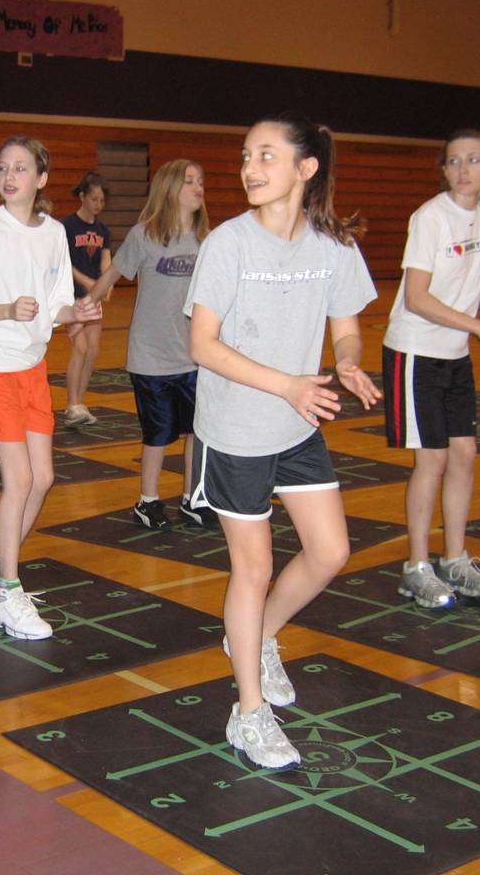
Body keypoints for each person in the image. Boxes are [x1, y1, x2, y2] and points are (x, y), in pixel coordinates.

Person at [185, 113, 379, 770]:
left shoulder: (334, 246)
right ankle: (248, 714)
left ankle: (259, 636)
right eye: (246, 155)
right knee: (254, 568)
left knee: (330, 551)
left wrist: (347, 361)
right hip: (237, 428)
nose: (250, 167)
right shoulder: (228, 243)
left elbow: (346, 326)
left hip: (296, 423)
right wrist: (287, 384)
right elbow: (202, 344)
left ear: (306, 168)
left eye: (266, 155)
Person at [0, 136, 102, 640]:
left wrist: (76, 312)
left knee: (44, 478)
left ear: (41, 178)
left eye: (20, 168)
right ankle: (8, 594)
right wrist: (8, 309)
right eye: (3, 168)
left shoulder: (53, 233)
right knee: (18, 479)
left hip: (32, 367)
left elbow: (55, 307)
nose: (8, 177)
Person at [382, 129, 480, 609]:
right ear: (444, 169)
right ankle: (416, 567)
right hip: (415, 352)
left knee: (464, 454)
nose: (463, 169)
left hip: (454, 355)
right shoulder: (430, 218)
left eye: (473, 160)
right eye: (453, 161)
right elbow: (416, 297)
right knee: (433, 459)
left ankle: (455, 558)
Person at [85, 159, 217, 530]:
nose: (198, 187)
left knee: (197, 431)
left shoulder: (207, 240)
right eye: (189, 181)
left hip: (193, 356)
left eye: (200, 180)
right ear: (169, 188)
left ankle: (192, 498)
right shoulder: (144, 235)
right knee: (158, 434)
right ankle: (148, 501)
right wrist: (84, 308)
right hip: (151, 358)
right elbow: (111, 275)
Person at [61, 171, 113, 427]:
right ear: (82, 196)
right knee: (79, 348)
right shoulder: (67, 227)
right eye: (94, 199)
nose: (98, 204)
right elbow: (65, 264)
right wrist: (91, 284)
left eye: (101, 200)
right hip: (72, 297)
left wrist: (107, 282)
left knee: (92, 351)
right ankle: (72, 404)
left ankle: (79, 403)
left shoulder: (103, 231)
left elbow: (106, 261)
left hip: (93, 298)